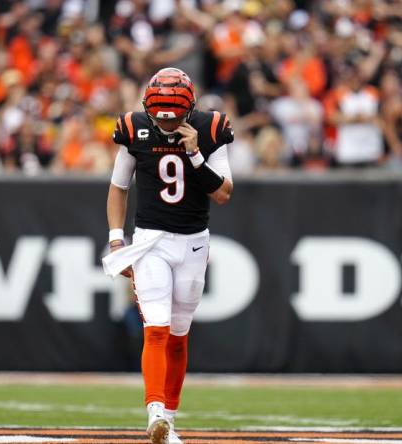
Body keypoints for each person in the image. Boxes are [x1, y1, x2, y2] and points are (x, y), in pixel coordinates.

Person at [101, 67, 233, 444]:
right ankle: (155, 411)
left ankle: (169, 420)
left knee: (178, 334)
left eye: (174, 117)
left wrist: (194, 154)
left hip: (193, 242)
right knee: (155, 329)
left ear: (189, 110)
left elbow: (223, 193)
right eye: (160, 116)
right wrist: (116, 240)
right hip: (151, 242)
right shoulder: (134, 127)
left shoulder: (210, 129)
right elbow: (118, 187)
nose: (166, 123)